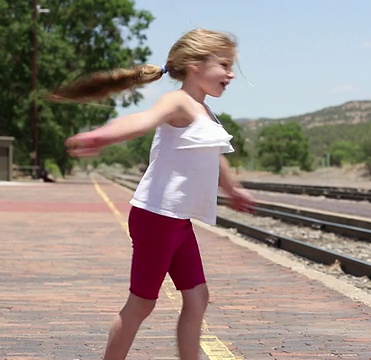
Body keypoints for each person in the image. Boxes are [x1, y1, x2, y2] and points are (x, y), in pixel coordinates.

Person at [50, 29, 255, 360]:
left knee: (197, 297)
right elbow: (142, 120)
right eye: (224, 64)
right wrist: (102, 136)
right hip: (157, 217)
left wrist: (232, 189)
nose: (231, 73)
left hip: (177, 221)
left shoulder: (204, 111)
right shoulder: (178, 102)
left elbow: (213, 155)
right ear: (195, 65)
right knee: (141, 303)